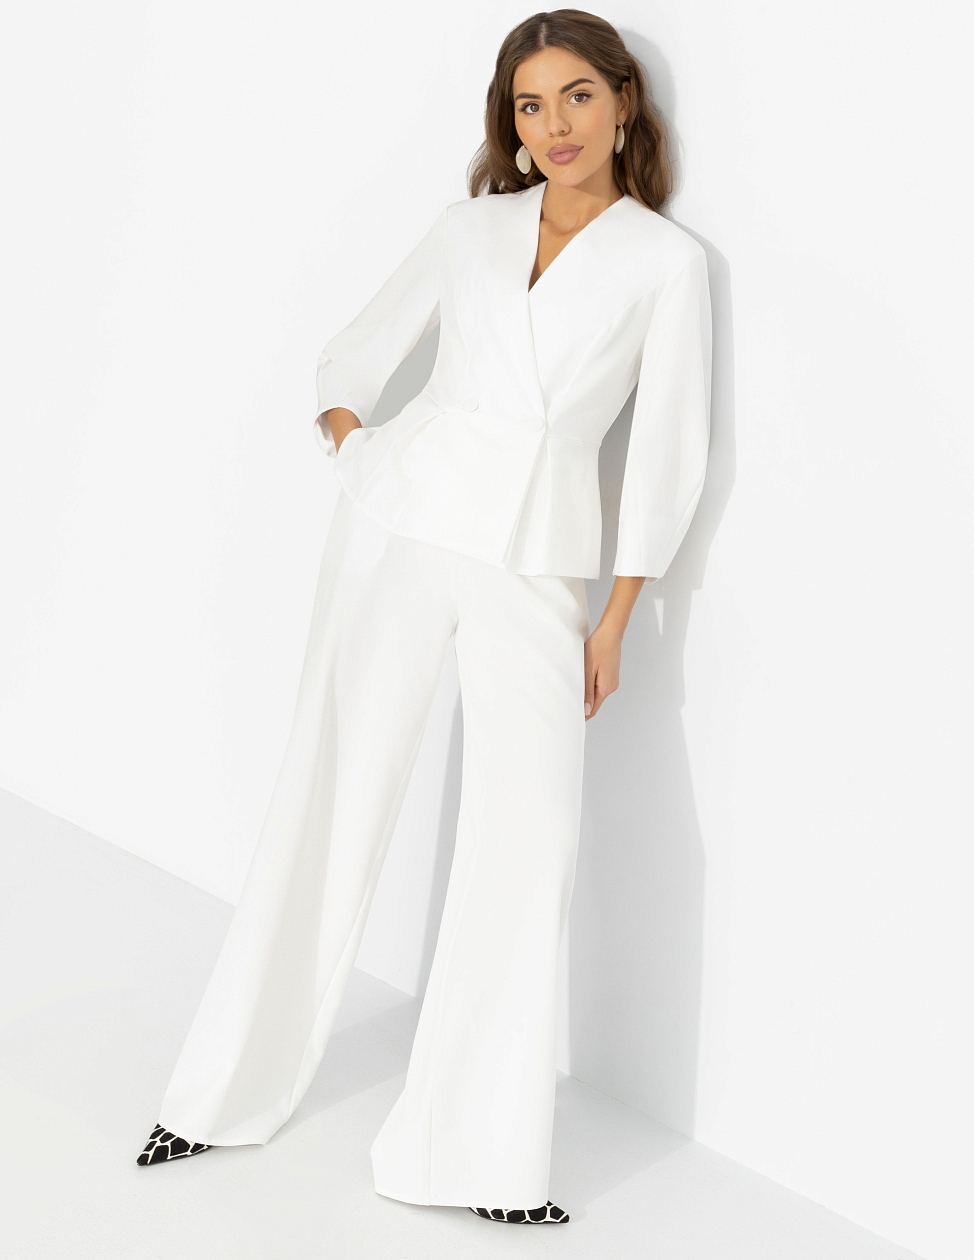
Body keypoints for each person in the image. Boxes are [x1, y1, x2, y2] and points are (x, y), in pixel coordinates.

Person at [135, 9, 711, 1226]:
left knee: (529, 841)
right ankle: (219, 1094)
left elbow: (665, 458)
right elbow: (350, 358)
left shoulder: (666, 265)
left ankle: (475, 1161)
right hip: (400, 527)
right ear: (511, 123)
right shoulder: (470, 229)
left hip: (538, 565)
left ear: (623, 102)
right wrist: (359, 454)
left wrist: (614, 622)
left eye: (576, 96)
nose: (553, 125)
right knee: (331, 791)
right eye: (528, 105)